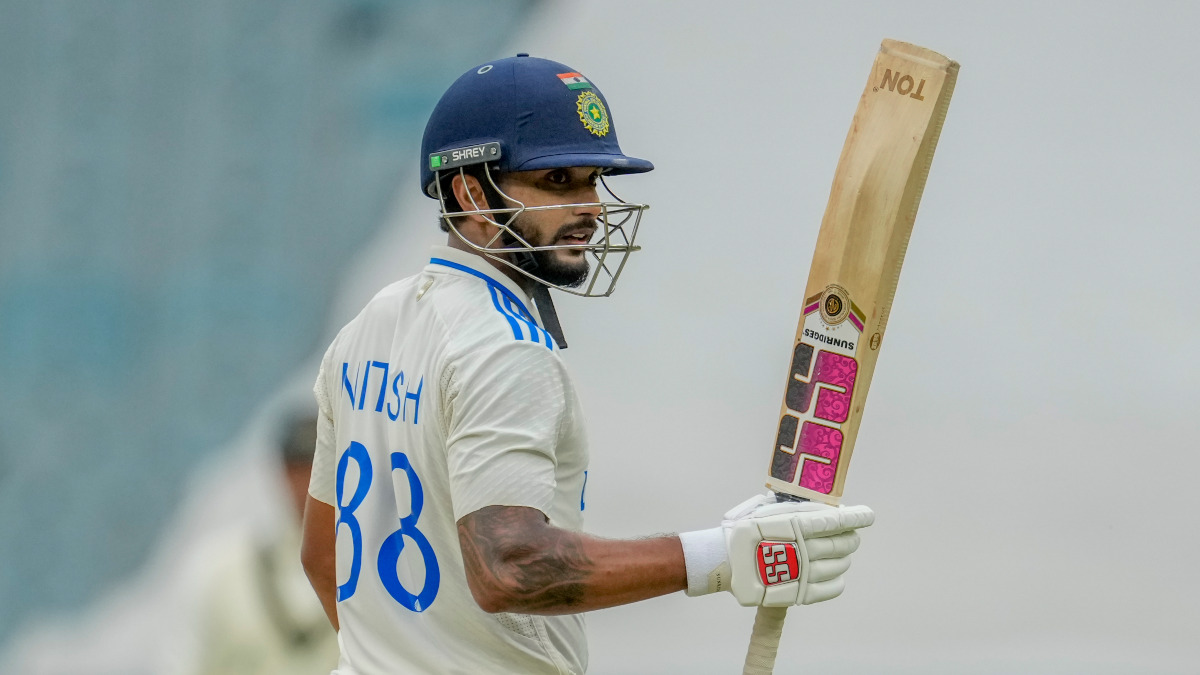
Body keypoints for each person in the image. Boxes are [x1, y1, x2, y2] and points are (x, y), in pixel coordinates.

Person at [300, 54, 874, 675]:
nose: (593, 207)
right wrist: (726, 556)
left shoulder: (368, 327)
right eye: (558, 182)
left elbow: (320, 555)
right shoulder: (504, 347)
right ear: (470, 191)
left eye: (593, 180)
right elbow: (509, 568)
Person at [195, 414, 339, 675]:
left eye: (320, 466)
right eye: (300, 469)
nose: (310, 483)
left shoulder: (378, 571)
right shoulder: (228, 574)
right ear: (283, 473)